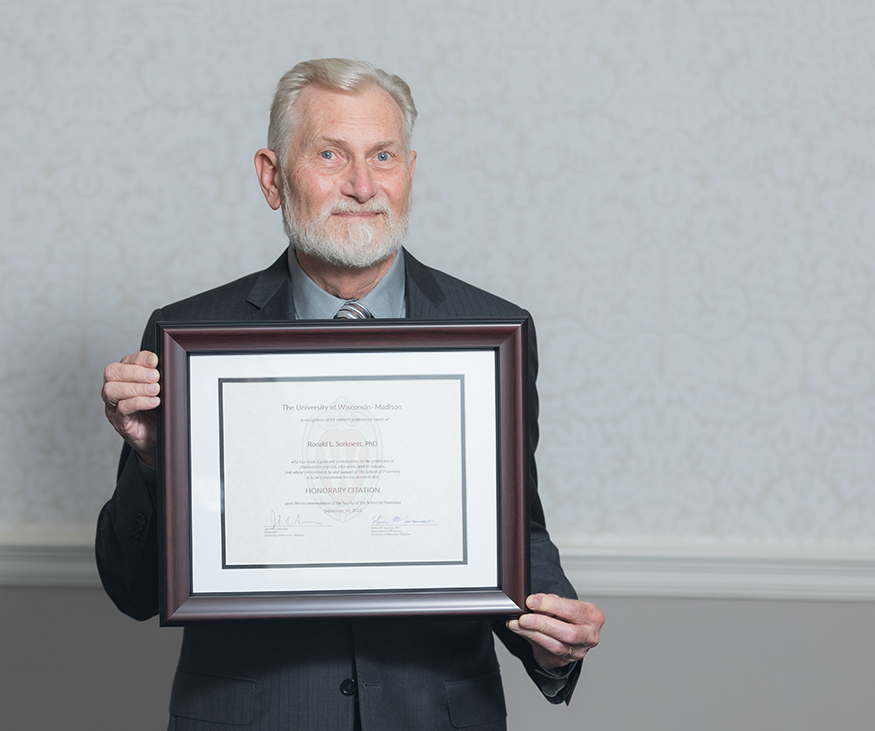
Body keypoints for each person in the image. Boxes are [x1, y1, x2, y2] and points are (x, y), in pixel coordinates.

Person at [97, 58, 603, 731]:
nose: (363, 185)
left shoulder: (490, 334)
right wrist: (153, 461)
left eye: (383, 155)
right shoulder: (188, 338)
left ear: (410, 172)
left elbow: (511, 530)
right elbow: (133, 590)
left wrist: (553, 631)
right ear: (272, 177)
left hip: (437, 715)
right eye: (331, 154)